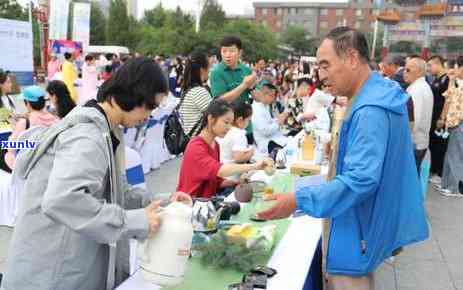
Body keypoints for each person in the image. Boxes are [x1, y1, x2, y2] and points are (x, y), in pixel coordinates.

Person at [258, 27, 429, 289]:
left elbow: (360, 180)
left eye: (326, 65)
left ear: (351, 58)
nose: (321, 75)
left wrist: (298, 200)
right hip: (366, 223)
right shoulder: (378, 93)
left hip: (356, 232)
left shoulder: (370, 110)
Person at [2, 58, 192, 290]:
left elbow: (115, 191)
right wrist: (135, 220)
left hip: (65, 264)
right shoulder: (87, 136)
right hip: (52, 273)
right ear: (133, 95)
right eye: (150, 107)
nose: (149, 116)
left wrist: (159, 204)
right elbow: (64, 200)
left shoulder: (106, 130)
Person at [177, 99, 272, 199]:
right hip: (190, 204)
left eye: (231, 123)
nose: (229, 127)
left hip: (208, 201)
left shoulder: (215, 145)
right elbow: (220, 171)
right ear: (211, 119)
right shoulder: (196, 147)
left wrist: (237, 182)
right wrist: (255, 166)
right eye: (226, 122)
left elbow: (216, 181)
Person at [4, 86, 58, 170]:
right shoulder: (55, 120)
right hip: (50, 164)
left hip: (28, 166)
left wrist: (10, 138)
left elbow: (11, 148)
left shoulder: (25, 122)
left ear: (28, 104)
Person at [438, 56, 463, 197]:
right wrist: (452, 80)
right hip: (454, 124)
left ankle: (455, 188)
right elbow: (449, 96)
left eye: (456, 67)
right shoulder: (459, 83)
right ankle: (447, 184)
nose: (454, 70)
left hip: (459, 123)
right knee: (451, 154)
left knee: (456, 155)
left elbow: (452, 97)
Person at [404, 56, 434, 173]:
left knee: (408, 180)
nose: (404, 73)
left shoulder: (416, 90)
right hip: (419, 142)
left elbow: (414, 120)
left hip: (414, 143)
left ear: (420, 71)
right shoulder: (421, 87)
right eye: (404, 69)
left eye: (408, 70)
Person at [209, 35, 257, 104]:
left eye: (231, 51)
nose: (227, 55)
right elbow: (219, 101)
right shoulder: (216, 72)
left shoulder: (246, 69)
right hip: (228, 114)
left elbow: (259, 99)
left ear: (240, 53)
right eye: (224, 51)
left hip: (246, 113)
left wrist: (252, 86)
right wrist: (244, 85)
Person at [178, 51, 213, 137]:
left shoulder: (187, 90)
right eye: (209, 67)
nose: (210, 70)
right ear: (202, 69)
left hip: (191, 141)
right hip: (199, 142)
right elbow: (215, 117)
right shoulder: (199, 92)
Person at [427, 55, 449, 184]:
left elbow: (447, 100)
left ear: (438, 64)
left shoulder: (447, 80)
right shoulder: (437, 79)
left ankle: (438, 173)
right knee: (433, 144)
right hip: (433, 117)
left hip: (440, 119)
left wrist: (442, 118)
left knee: (439, 145)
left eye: (430, 65)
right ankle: (433, 170)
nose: (429, 69)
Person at [219, 101, 254, 182]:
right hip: (233, 178)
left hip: (223, 174)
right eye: (248, 120)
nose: (248, 123)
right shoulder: (239, 134)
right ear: (240, 120)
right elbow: (238, 157)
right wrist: (251, 152)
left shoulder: (225, 130)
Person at [252, 80, 288, 156]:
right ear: (264, 94)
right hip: (266, 143)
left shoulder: (265, 106)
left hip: (274, 137)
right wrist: (278, 122)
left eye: (274, 96)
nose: (273, 98)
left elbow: (269, 122)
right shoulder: (257, 109)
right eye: (271, 96)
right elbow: (265, 130)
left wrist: (277, 119)